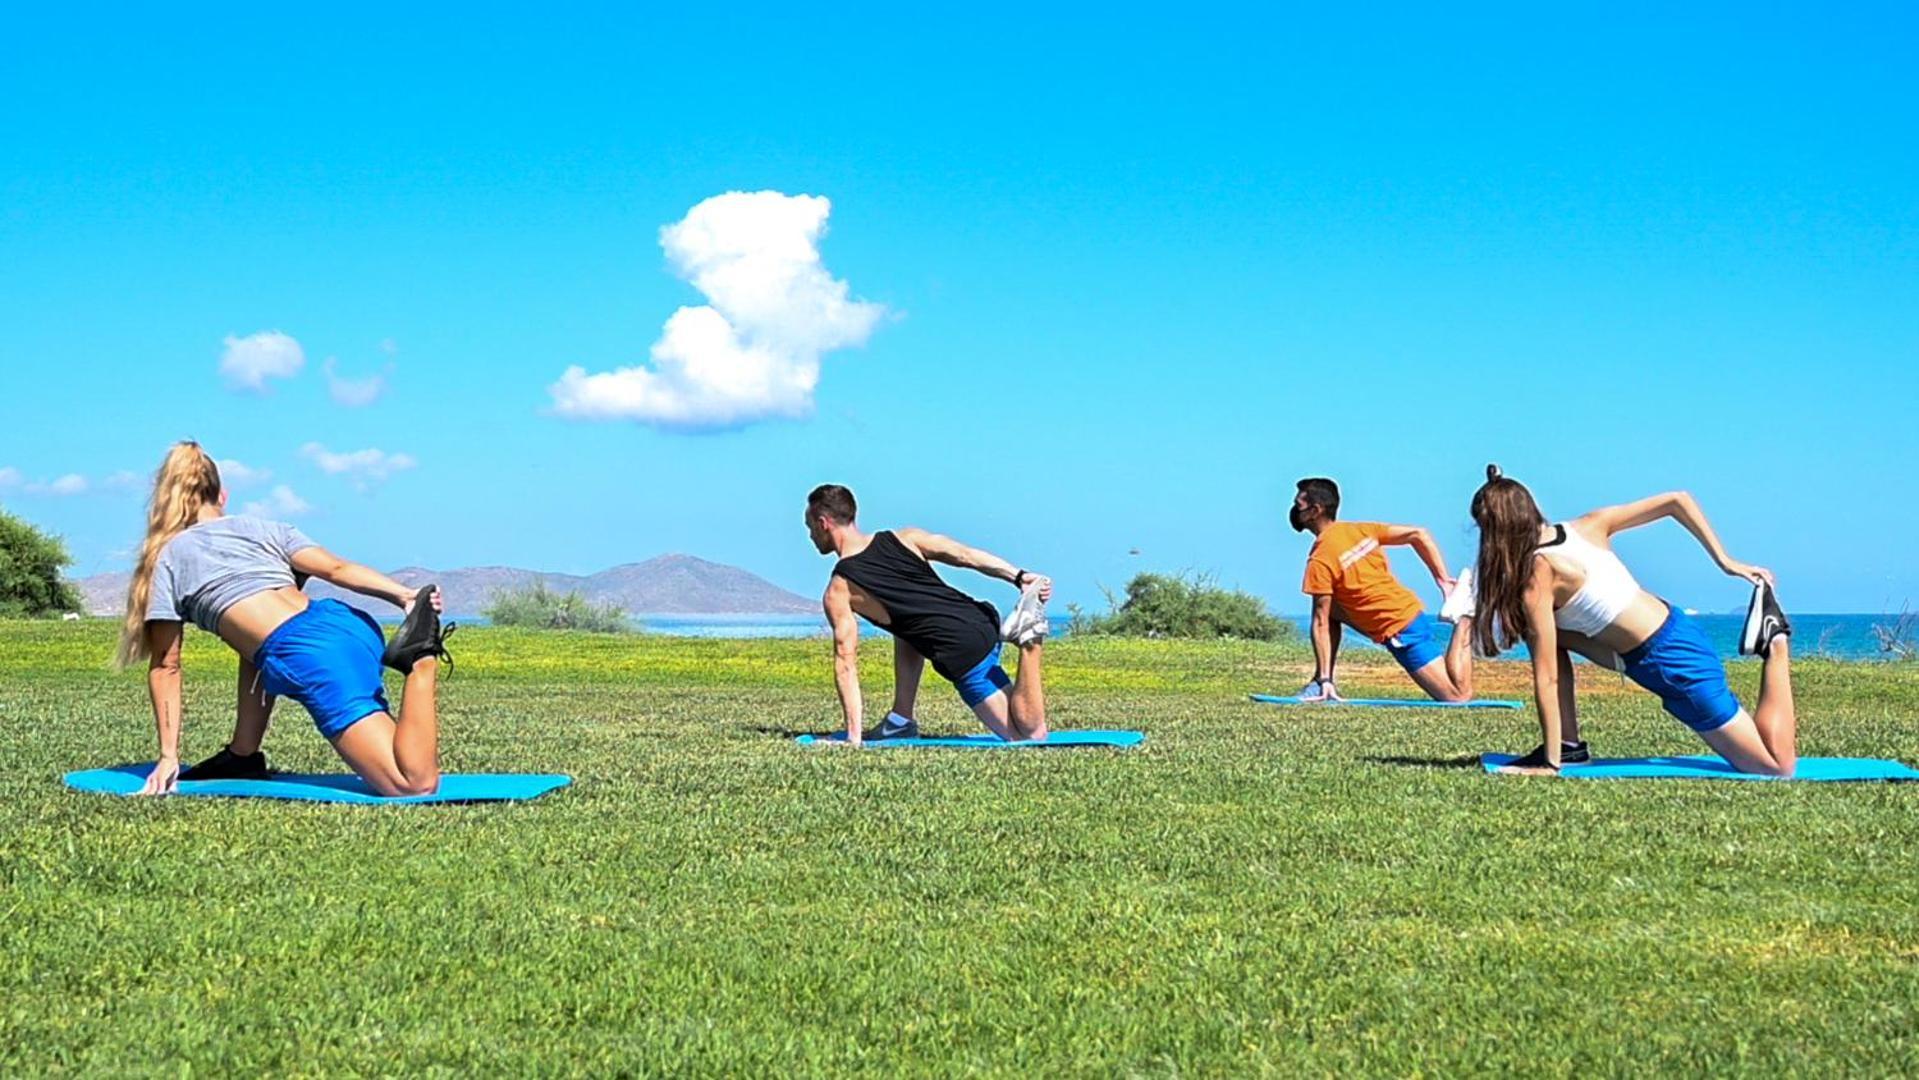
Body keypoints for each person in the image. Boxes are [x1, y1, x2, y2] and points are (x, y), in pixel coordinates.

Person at [115, 441, 455, 796]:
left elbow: (166, 665)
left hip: (313, 653)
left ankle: (420, 659)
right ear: (223, 496)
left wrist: (169, 756)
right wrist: (404, 595)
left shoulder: (169, 557)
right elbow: (336, 569)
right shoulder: (263, 529)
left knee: (412, 783)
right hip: (345, 623)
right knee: (255, 649)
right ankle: (242, 756)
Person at [1467, 465, 1794, 775]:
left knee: (1774, 765)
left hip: (1673, 663)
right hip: (1664, 633)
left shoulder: (1541, 574)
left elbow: (1548, 677)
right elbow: (1676, 500)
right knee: (1548, 634)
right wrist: (1724, 561)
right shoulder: (1587, 526)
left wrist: (1548, 765)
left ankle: (1775, 641)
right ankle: (1569, 746)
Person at [805, 483, 1051, 746]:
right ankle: (900, 721)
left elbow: (846, 661)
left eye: (809, 527)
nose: (810, 536)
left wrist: (853, 737)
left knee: (1028, 735)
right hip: (980, 618)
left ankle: (1029, 640)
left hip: (962, 651)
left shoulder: (840, 589)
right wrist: (1019, 576)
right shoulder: (905, 538)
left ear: (823, 523)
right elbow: (965, 555)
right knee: (906, 628)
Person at [1288, 477, 1478, 702]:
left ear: (1315, 510)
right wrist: (1443, 579)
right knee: (1330, 609)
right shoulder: (1360, 530)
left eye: (1298, 506)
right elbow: (1419, 534)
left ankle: (1465, 618)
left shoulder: (1320, 559)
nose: (1293, 511)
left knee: (1457, 696)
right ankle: (1320, 682)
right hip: (1409, 613)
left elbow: (1319, 622)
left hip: (1401, 630)